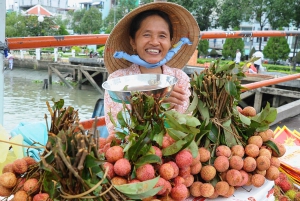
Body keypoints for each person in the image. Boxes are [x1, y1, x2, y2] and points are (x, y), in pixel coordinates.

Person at [103, 2, 200, 136]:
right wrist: (155, 100)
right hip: (134, 154)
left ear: (170, 42)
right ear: (133, 42)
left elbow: (184, 127)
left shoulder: (180, 78)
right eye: (146, 35)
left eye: (162, 36)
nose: (155, 42)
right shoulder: (118, 80)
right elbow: (117, 130)